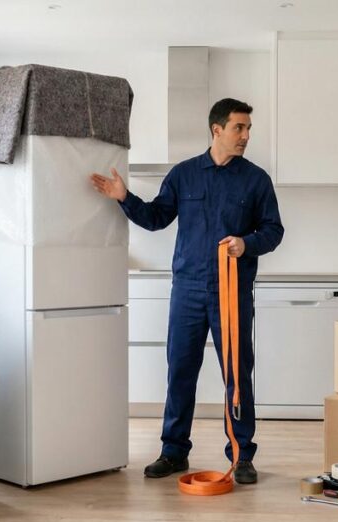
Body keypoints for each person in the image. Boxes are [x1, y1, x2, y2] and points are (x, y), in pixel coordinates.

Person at [89, 98, 284, 484]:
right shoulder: (184, 175)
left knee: (237, 373)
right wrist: (124, 198)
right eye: (239, 128)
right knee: (180, 370)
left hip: (232, 290)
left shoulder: (256, 180)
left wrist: (247, 243)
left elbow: (273, 231)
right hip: (188, 289)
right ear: (217, 130)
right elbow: (157, 218)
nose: (246, 136)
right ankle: (174, 451)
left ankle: (242, 455)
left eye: (247, 129)